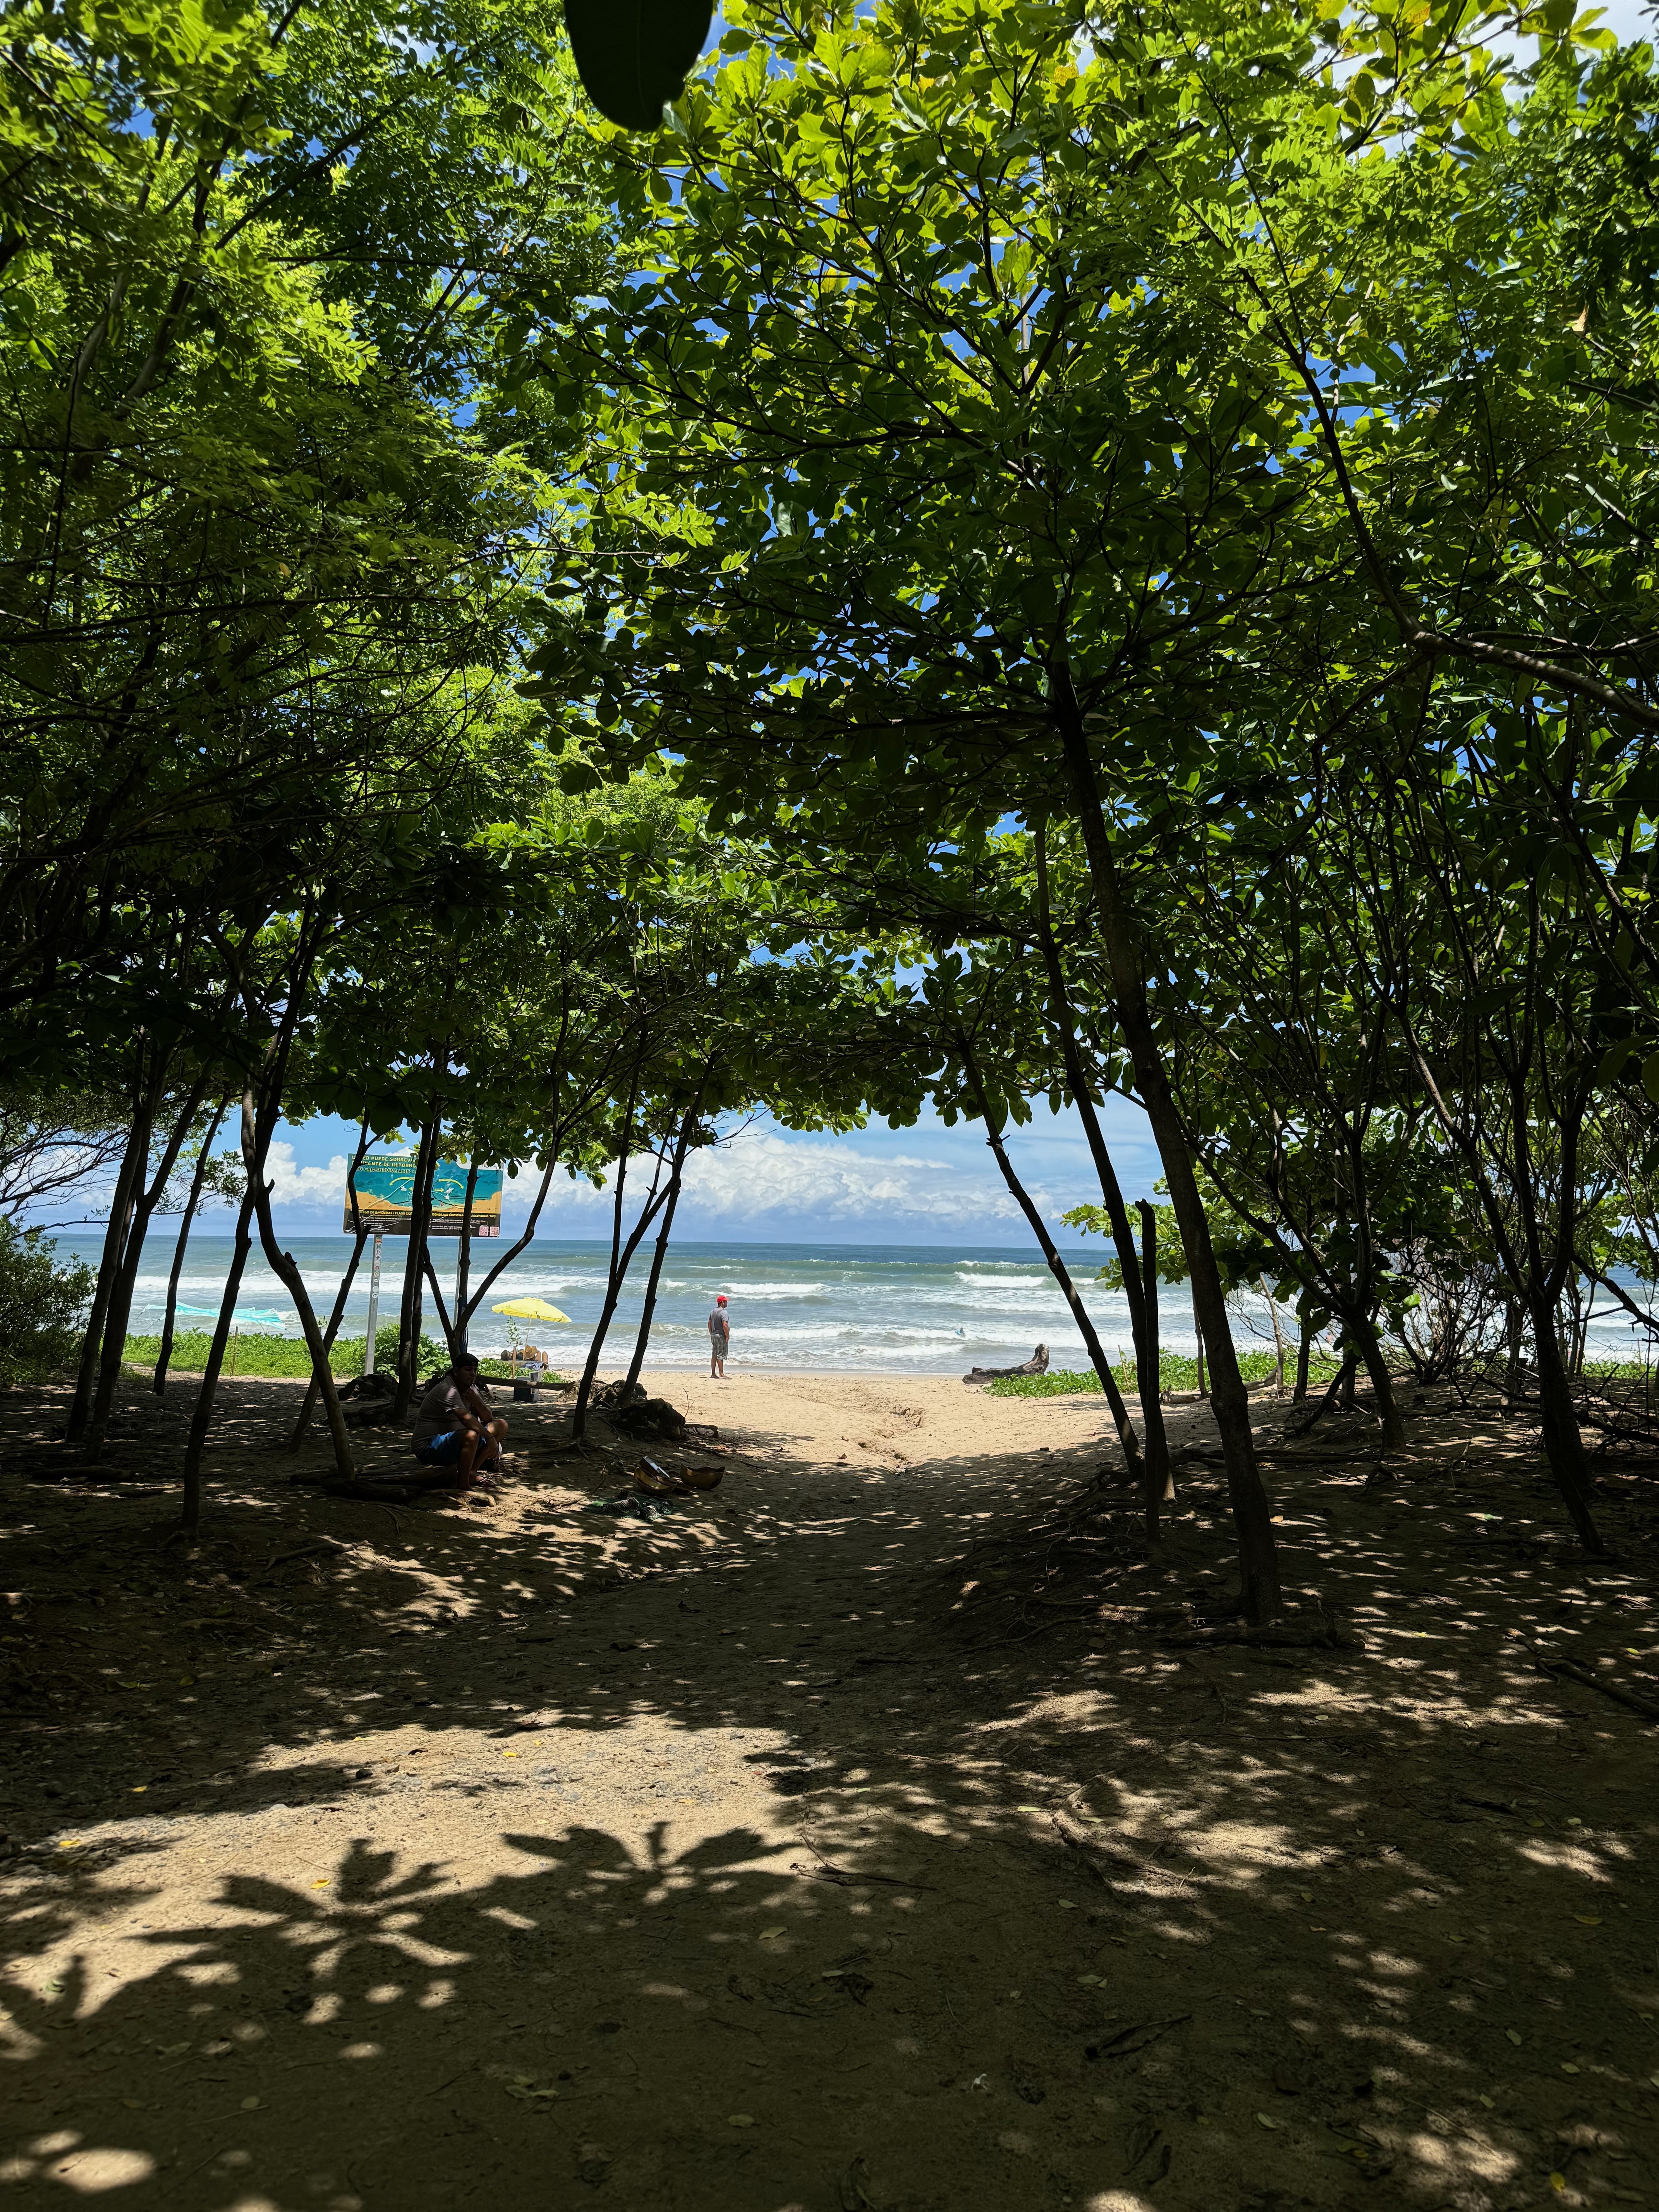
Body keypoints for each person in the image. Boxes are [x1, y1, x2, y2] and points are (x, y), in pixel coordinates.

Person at [410, 1350, 508, 1488]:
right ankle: (463, 1486)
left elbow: (487, 1418)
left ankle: (472, 1472)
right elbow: (466, 1419)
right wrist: (489, 1438)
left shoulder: (470, 1389)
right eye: (468, 1370)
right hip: (429, 1446)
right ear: (456, 1372)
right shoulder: (448, 1390)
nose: (472, 1374)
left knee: (501, 1425)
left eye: (475, 1370)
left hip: (455, 1442)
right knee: (471, 1435)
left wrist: (476, 1401)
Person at [708, 1293, 730, 1379]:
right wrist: (727, 1336)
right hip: (720, 1335)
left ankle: (713, 1374)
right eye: (726, 1302)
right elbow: (725, 1325)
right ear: (722, 1303)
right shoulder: (724, 1312)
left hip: (714, 1334)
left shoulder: (713, 1311)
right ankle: (722, 1374)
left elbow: (709, 1324)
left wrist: (711, 1333)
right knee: (720, 1354)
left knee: (715, 1354)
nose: (727, 1303)